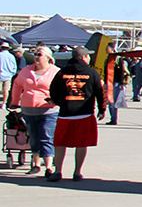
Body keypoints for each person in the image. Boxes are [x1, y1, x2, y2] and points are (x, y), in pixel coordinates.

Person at [48, 47, 105, 180]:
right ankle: (77, 172)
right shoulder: (92, 73)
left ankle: (58, 171)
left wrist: (60, 102)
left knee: (60, 143)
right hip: (84, 114)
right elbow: (101, 92)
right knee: (81, 144)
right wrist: (102, 109)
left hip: (65, 114)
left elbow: (53, 90)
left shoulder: (62, 72)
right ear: (84, 57)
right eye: (88, 56)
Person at [6, 45, 59, 176]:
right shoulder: (26, 71)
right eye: (35, 54)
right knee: (34, 138)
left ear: (48, 58)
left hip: (48, 110)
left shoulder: (55, 71)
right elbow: (17, 85)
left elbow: (61, 88)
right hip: (28, 109)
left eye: (39, 55)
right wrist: (14, 101)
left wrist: (56, 100)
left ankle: (48, 166)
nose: (36, 57)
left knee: (46, 137)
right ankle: (35, 164)